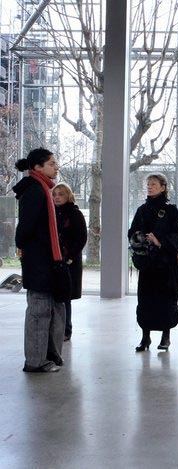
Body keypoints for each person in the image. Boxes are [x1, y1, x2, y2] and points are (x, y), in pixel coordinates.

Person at [128, 173, 178, 352]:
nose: (149, 187)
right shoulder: (141, 210)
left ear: (163, 187)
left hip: (165, 265)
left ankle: (166, 337)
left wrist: (160, 241)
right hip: (147, 265)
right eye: (148, 184)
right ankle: (145, 338)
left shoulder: (171, 211)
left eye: (154, 184)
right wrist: (139, 239)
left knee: (165, 302)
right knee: (145, 302)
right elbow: (132, 232)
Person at [13, 148, 65, 372]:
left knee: (50, 309)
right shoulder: (35, 191)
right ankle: (35, 361)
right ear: (37, 167)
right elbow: (24, 229)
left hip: (45, 260)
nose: (56, 166)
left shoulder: (43, 188)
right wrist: (30, 250)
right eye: (52, 163)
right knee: (39, 312)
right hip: (39, 262)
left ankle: (46, 356)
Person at [52, 183, 87, 342]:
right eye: (55, 194)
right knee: (54, 295)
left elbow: (81, 239)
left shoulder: (75, 214)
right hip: (53, 260)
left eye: (60, 194)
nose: (57, 197)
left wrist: (70, 257)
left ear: (68, 196)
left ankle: (66, 329)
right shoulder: (50, 213)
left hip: (69, 261)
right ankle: (55, 328)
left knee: (65, 296)